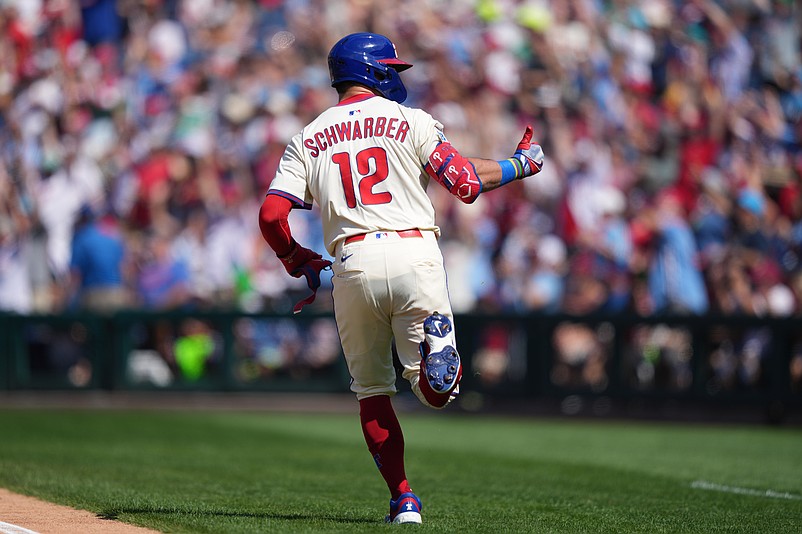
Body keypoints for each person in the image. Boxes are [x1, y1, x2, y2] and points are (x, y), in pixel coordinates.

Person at [258, 32, 544, 525]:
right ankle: (437, 360)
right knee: (437, 395)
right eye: (391, 66)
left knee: (370, 391)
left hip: (351, 262)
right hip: (415, 252)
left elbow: (270, 214)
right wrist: (520, 164)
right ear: (374, 71)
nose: (397, 74)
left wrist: (293, 257)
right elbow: (466, 183)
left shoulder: (307, 136)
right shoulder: (410, 121)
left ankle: (404, 499)